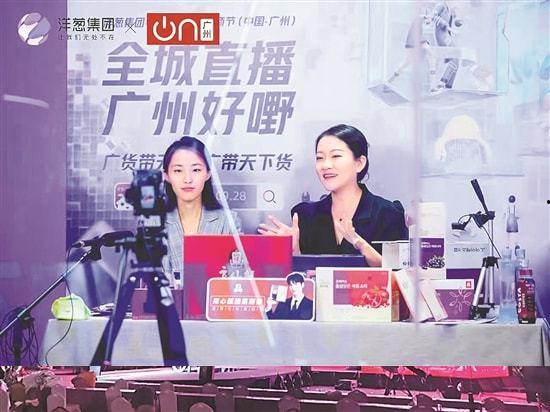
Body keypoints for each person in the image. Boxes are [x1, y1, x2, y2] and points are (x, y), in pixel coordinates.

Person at [258, 124, 408, 267]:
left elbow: (399, 275)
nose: (326, 165)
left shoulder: (388, 213)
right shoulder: (305, 216)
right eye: (320, 158)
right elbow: (303, 276)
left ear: (359, 163)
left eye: (336, 156)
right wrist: (293, 249)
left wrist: (359, 243)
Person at [163, 136, 241, 275]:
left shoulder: (228, 221)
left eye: (196, 170)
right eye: (178, 171)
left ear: (208, 174)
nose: (188, 179)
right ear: (166, 176)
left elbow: (238, 273)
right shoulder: (155, 223)